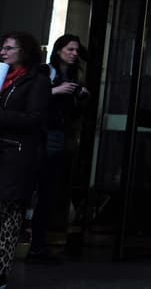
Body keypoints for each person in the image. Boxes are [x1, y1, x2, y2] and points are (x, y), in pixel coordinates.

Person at [27, 34, 90, 264]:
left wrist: (79, 98)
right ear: (59, 50)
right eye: (70, 49)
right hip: (41, 138)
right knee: (33, 190)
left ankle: (39, 246)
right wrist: (56, 91)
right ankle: (32, 245)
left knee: (48, 193)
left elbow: (71, 115)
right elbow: (33, 100)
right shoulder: (45, 72)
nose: (74, 53)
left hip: (59, 139)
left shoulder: (72, 76)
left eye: (76, 50)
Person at [0, 32, 51, 288]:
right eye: (3, 47)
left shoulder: (37, 82)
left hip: (16, 158)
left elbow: (34, 120)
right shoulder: (4, 79)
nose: (3, 52)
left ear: (24, 52)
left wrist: (2, 115)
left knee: (7, 218)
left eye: (9, 48)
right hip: (3, 154)